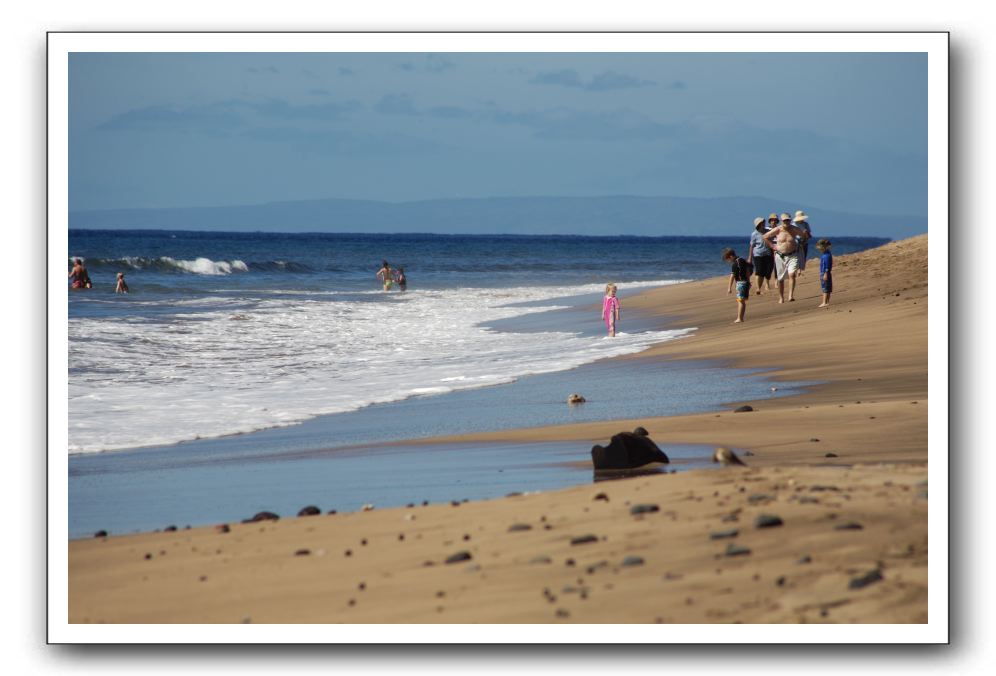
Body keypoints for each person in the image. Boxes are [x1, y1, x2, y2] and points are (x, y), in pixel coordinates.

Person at [762, 213, 808, 303]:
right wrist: (772, 246)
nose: (786, 222)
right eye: (785, 220)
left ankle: (790, 295)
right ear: (782, 221)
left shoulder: (794, 229)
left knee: (792, 274)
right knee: (781, 278)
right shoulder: (778, 229)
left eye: (788, 220)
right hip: (780, 256)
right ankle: (781, 297)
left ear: (790, 220)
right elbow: (765, 237)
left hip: (793, 255)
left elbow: (804, 236)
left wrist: (802, 243)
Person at [722, 247, 751, 323]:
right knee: (742, 301)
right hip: (745, 282)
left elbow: (732, 276)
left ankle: (740, 318)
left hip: (740, 283)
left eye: (728, 259)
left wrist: (729, 287)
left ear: (731, 256)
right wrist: (748, 281)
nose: (728, 261)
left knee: (740, 301)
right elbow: (748, 271)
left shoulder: (735, 264)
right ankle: (740, 317)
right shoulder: (742, 260)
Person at [747, 216, 774, 294]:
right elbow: (752, 245)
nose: (763, 224)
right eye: (762, 223)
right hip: (758, 255)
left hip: (768, 254)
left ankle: (765, 283)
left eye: (763, 222)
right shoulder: (754, 234)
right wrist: (750, 257)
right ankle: (758, 288)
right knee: (759, 271)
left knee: (768, 271)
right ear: (758, 224)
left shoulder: (768, 231)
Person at [815, 239, 833, 307]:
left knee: (825, 288)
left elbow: (827, 265)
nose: (819, 250)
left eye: (819, 248)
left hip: (825, 273)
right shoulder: (827, 254)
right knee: (827, 288)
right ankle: (827, 301)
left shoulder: (826, 255)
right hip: (825, 273)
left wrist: (826, 273)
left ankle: (824, 302)